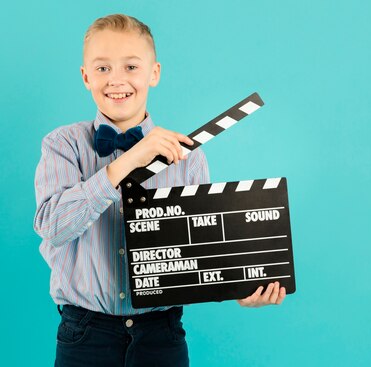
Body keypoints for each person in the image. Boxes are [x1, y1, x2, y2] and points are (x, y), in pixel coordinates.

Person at [33, 13, 286, 367]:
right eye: (103, 68)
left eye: (131, 67)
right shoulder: (63, 145)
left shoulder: (188, 156)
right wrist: (124, 163)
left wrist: (239, 289)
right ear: (85, 76)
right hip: (85, 332)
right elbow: (52, 227)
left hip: (161, 334)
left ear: (154, 73)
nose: (117, 79)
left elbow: (200, 249)